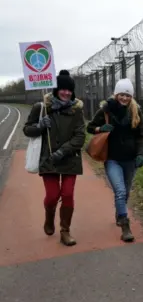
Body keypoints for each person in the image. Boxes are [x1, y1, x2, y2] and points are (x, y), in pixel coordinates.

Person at [22, 69, 86, 246]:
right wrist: (40, 126)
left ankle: (65, 231)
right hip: (48, 159)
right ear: (56, 89)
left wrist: (63, 151)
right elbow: (27, 130)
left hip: (69, 158)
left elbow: (80, 136)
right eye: (62, 89)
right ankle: (49, 216)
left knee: (67, 194)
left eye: (69, 90)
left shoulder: (77, 110)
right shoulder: (41, 107)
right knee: (52, 196)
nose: (66, 93)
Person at [87, 78, 143, 242]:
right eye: (121, 94)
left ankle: (119, 213)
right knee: (120, 191)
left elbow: (141, 136)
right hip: (112, 158)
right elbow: (90, 127)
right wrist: (101, 128)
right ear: (116, 94)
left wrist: (141, 154)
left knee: (125, 192)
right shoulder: (106, 110)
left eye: (127, 95)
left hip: (130, 159)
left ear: (131, 97)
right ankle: (125, 226)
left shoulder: (136, 111)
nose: (124, 98)